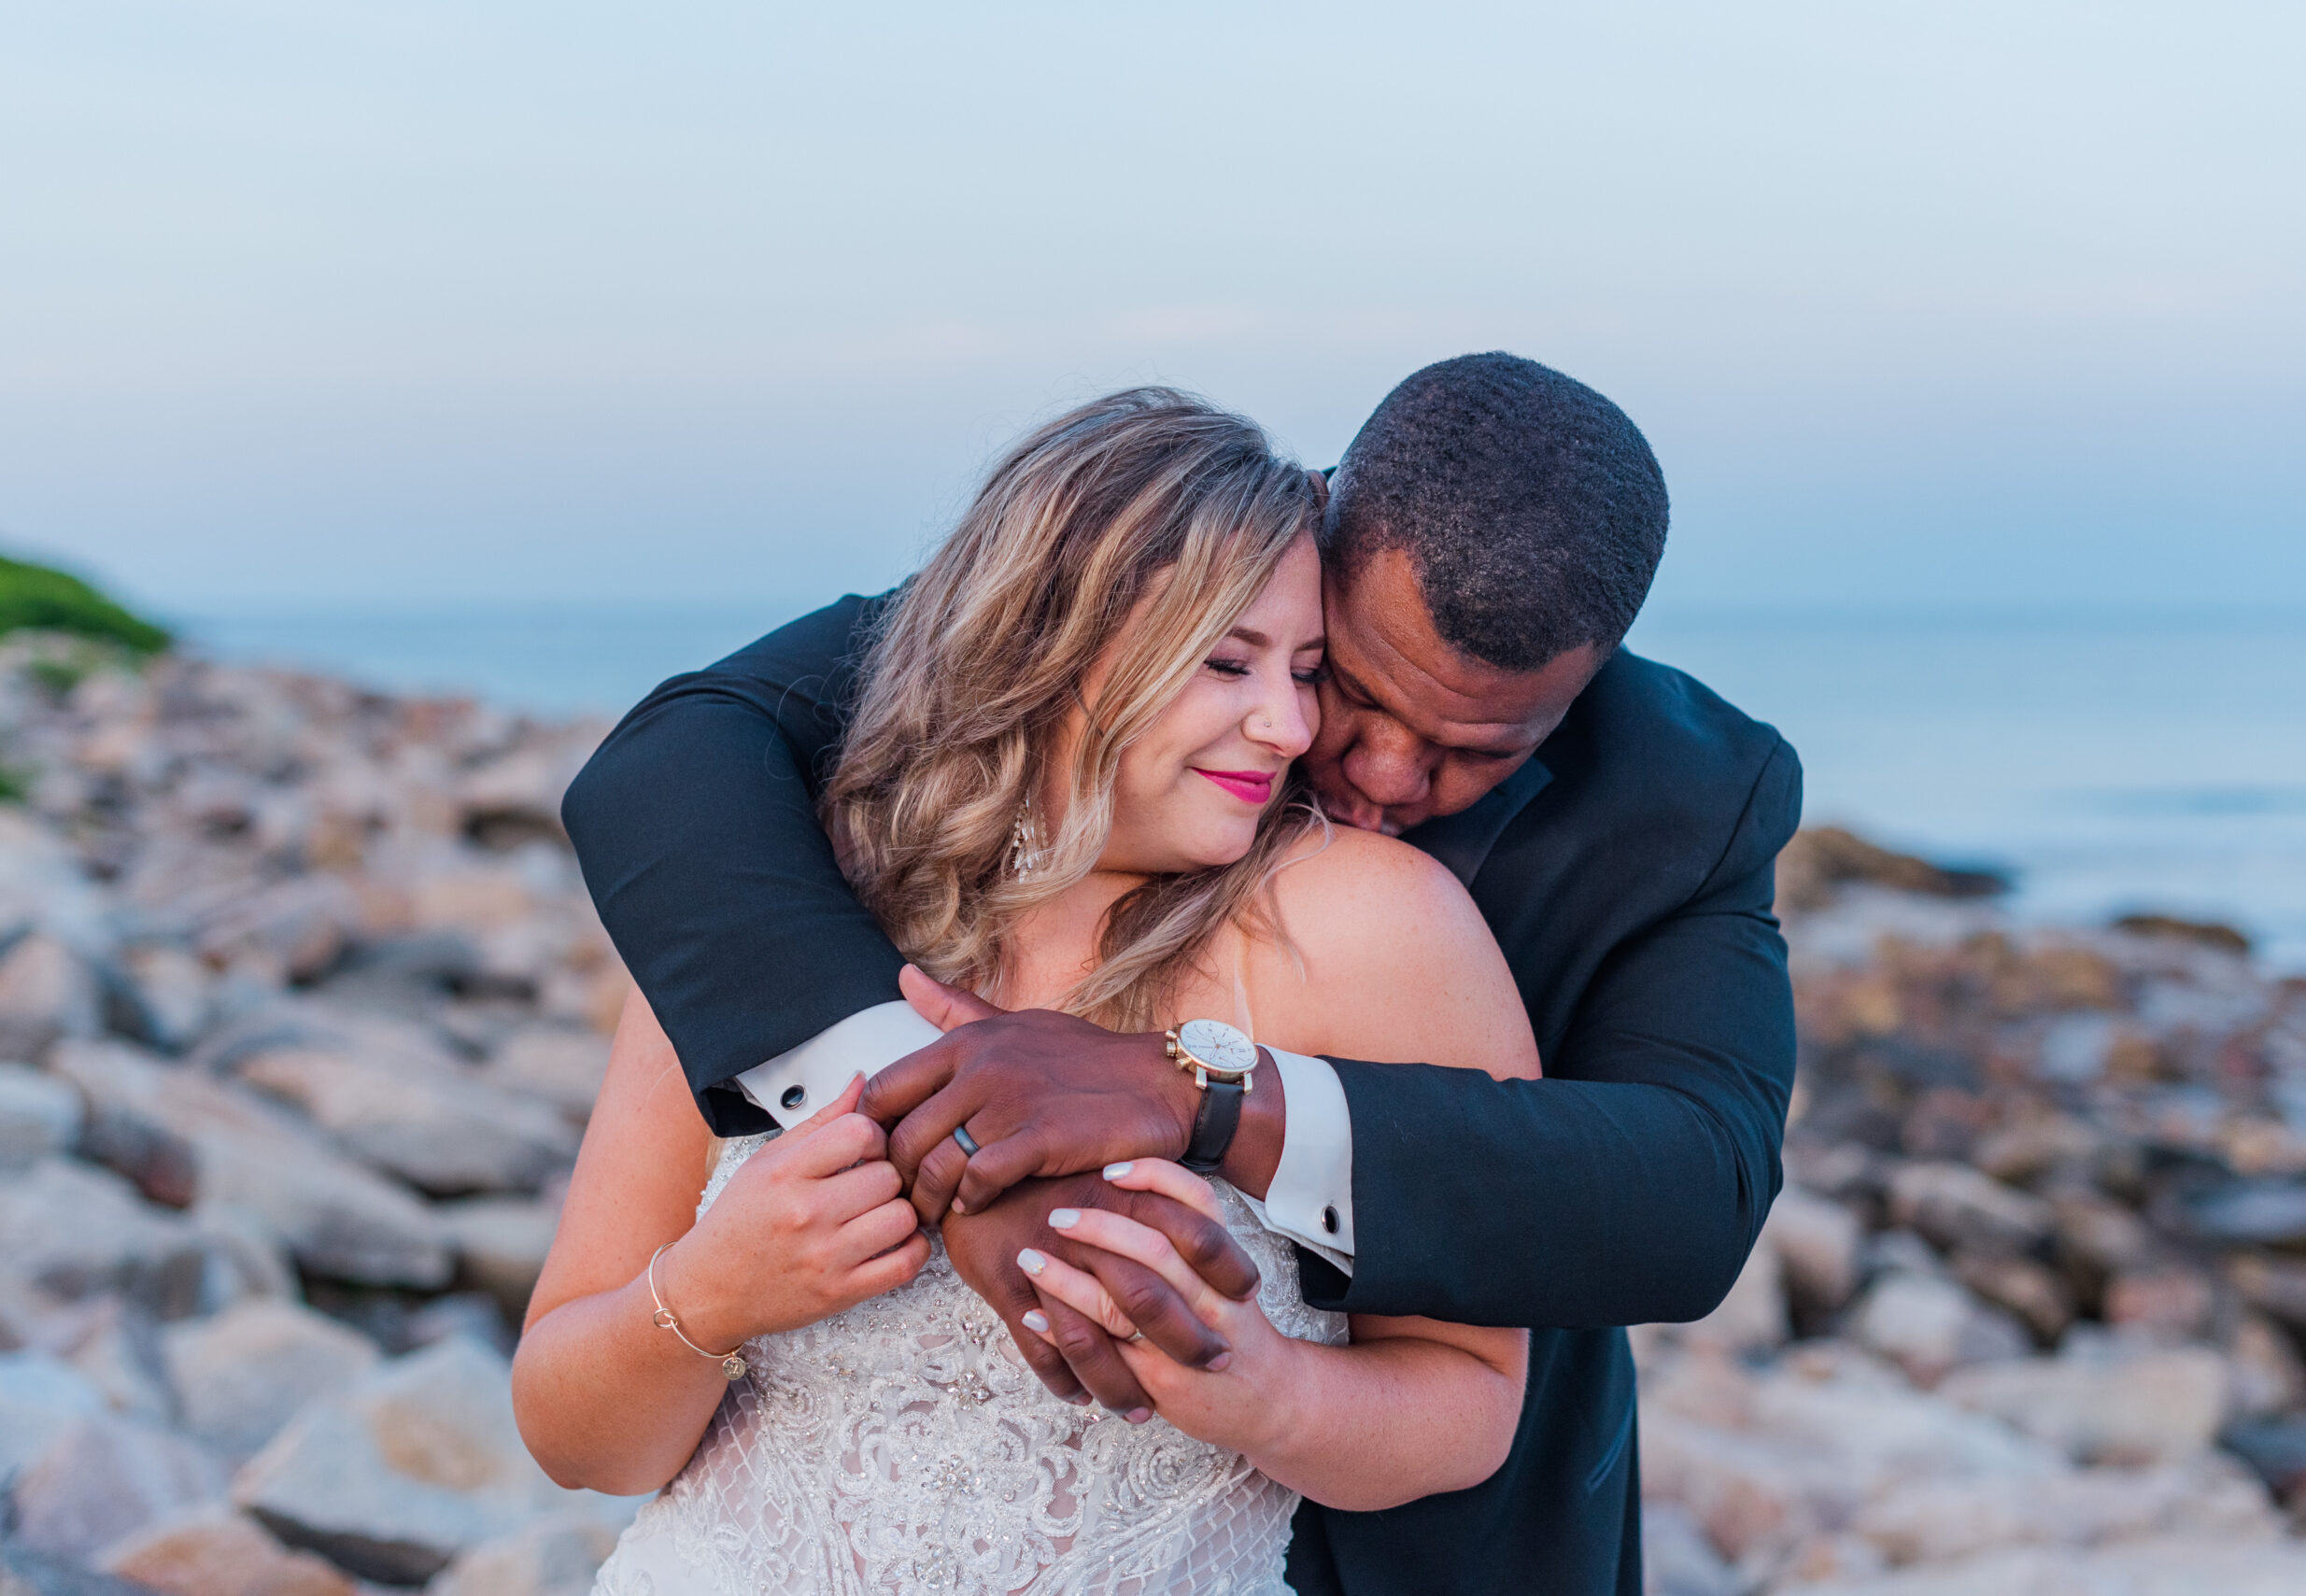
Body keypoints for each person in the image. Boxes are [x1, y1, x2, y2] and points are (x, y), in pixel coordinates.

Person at [563, 353, 1804, 1593]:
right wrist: (939, 1137)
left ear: (1581, 690)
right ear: (1318, 521)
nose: (1373, 771)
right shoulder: (1148, 584)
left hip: (1439, 1538)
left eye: (1472, 751)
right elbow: (675, 761)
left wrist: (1207, 1095)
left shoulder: (1683, 797)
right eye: (1351, 688)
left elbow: (1696, 1192)